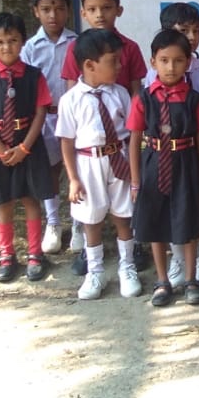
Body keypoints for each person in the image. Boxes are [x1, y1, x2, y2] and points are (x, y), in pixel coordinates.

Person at [61, 0, 148, 275]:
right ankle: (90, 255)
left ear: (118, 10)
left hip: (121, 136)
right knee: (90, 204)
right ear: (83, 12)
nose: (100, 15)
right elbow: (72, 90)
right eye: (93, 9)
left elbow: (136, 92)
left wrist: (138, 134)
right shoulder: (76, 49)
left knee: (126, 201)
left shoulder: (130, 49)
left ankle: (133, 248)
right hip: (90, 145)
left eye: (107, 8)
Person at [128, 29, 199, 308]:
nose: (171, 67)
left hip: (185, 164)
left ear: (188, 62)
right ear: (153, 62)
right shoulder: (143, 99)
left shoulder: (196, 101)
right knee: (155, 222)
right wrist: (135, 182)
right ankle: (162, 280)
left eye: (178, 61)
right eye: (164, 60)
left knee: (188, 221)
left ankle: (191, 279)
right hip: (153, 163)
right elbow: (134, 140)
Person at [56, 28, 143, 301]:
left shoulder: (121, 94)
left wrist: (135, 173)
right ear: (90, 65)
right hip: (88, 163)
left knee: (123, 215)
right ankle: (95, 271)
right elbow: (67, 142)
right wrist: (73, 179)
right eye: (113, 61)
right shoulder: (70, 100)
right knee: (91, 219)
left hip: (119, 159)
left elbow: (132, 132)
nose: (119, 66)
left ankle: (127, 266)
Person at [0, 12, 52, 284]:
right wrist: (0, 149)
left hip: (29, 145)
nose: (7, 47)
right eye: (0, 41)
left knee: (30, 199)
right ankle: (6, 255)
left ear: (23, 42)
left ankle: (36, 254)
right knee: (4, 202)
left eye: (13, 40)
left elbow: (41, 112)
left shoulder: (34, 76)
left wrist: (24, 148)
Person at [21, 0, 76, 255]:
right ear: (36, 12)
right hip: (45, 118)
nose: (53, 15)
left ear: (68, 11)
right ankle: (53, 221)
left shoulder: (76, 42)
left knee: (77, 168)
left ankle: (79, 222)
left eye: (59, 9)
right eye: (46, 9)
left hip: (75, 117)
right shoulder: (30, 48)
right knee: (50, 170)